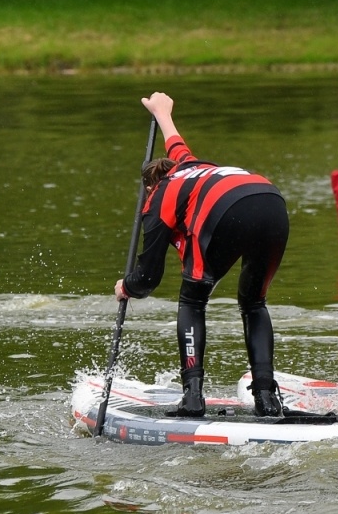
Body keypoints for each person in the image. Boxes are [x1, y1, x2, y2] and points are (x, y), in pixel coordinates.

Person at [114, 92, 291, 418]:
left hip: (225, 210)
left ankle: (193, 397)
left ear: (151, 187)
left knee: (193, 300)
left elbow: (147, 279)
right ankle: (267, 398)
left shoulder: (159, 197)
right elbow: (175, 141)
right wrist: (161, 112)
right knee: (253, 303)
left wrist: (125, 287)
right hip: (271, 202)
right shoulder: (190, 165)